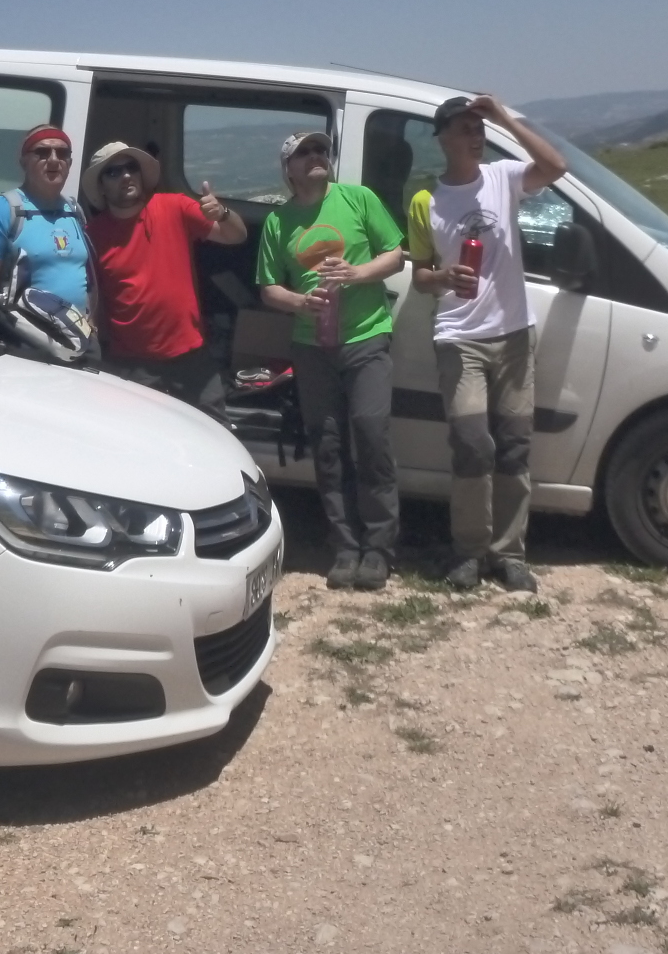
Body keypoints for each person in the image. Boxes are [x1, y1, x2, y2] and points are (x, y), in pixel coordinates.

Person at [406, 94, 568, 592]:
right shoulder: (426, 201)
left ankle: (510, 554)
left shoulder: (502, 177)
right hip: (460, 338)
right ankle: (470, 552)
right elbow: (420, 277)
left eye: (479, 127)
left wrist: (504, 118)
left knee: (515, 447)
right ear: (442, 138)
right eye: (465, 128)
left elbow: (555, 167)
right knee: (473, 444)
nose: (475, 135)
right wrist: (444, 277)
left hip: (514, 333)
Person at [255, 129, 407, 591]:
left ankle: (379, 548)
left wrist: (357, 273)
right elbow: (269, 288)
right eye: (304, 152)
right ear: (289, 169)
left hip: (366, 337)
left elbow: (395, 256)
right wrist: (301, 303)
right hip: (312, 345)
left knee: (371, 434)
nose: (316, 156)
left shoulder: (358, 199)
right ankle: (344, 546)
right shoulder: (278, 221)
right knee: (327, 444)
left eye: (321, 150)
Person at [82, 139, 248, 419]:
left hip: (191, 355)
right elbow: (92, 301)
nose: (125, 176)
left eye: (131, 167)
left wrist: (223, 214)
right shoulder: (92, 235)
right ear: (101, 187)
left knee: (213, 428)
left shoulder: (175, 206)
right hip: (131, 364)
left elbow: (236, 235)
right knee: (141, 434)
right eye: (113, 172)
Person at [0, 125, 91, 315]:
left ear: (70, 162)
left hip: (76, 331)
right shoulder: (1, 210)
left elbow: (87, 282)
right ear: (24, 162)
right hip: (22, 332)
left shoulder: (74, 210)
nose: (54, 160)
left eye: (62, 153)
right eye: (42, 152)